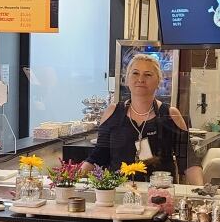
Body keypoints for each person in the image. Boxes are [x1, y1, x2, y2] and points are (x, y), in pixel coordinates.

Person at [81, 54, 205, 185]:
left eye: (148, 75)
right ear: (127, 79)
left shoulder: (170, 115)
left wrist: (200, 191)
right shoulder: (112, 112)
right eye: (135, 73)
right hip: (118, 192)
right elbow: (98, 156)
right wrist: (71, 179)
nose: (140, 79)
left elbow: (188, 161)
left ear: (159, 81)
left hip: (159, 193)